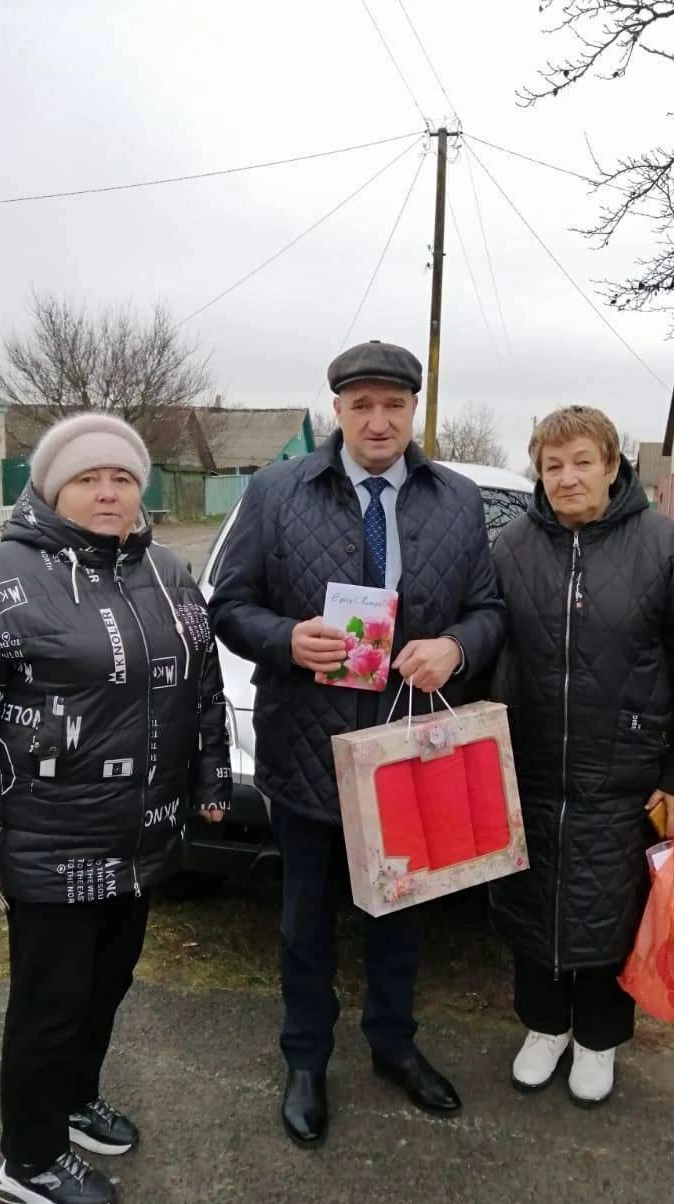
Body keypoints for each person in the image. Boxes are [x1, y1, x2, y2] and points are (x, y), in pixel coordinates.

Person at [0, 413, 231, 1204]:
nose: (107, 491)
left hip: (140, 838)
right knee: (49, 1008)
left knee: (107, 987)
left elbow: (201, 687)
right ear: (53, 489)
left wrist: (211, 779)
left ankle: (73, 1102)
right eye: (89, 478)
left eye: (122, 478)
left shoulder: (166, 571)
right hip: (48, 842)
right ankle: (27, 1158)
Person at [211, 340, 505, 1147]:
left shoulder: (457, 499)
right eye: (361, 405)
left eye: (394, 405)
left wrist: (457, 648)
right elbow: (227, 605)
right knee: (305, 920)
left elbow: (488, 609)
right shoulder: (276, 492)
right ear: (335, 410)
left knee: (399, 912)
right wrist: (285, 639)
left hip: (408, 745)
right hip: (308, 744)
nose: (378, 421)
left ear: (415, 410)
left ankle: (393, 1045)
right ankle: (306, 1059)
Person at [489, 405, 674, 1106]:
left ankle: (597, 1039)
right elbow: (481, 639)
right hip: (530, 769)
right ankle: (543, 1028)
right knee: (532, 899)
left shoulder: (659, 545)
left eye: (581, 462)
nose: (567, 478)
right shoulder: (511, 548)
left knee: (612, 908)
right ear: (538, 472)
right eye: (552, 465)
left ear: (613, 465)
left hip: (626, 777)